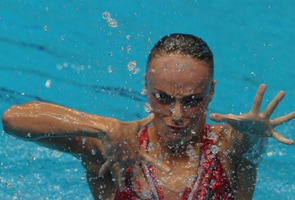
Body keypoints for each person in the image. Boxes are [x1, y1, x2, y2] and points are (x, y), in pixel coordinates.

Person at [2, 33, 294, 200]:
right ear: (146, 86)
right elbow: (13, 119)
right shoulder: (114, 144)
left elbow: (248, 148)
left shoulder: (227, 150)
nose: (176, 115)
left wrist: (255, 134)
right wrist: (103, 125)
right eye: (163, 98)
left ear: (211, 93)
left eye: (192, 101)